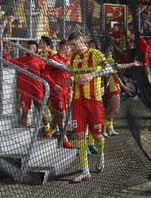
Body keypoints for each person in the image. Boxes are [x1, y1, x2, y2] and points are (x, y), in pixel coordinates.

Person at [68, 32, 114, 183]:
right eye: (70, 45)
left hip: (95, 102)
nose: (72, 47)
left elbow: (109, 69)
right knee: (79, 136)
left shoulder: (95, 54)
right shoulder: (73, 58)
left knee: (97, 136)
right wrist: (69, 79)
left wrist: (92, 75)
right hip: (77, 102)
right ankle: (85, 171)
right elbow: (72, 74)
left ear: (81, 41)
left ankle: (101, 154)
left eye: (74, 44)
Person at [3, 40, 46, 127]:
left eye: (32, 48)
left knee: (41, 109)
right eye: (28, 47)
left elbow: (45, 76)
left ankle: (47, 128)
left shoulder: (40, 61)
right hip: (25, 91)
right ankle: (24, 129)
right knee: (25, 111)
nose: (29, 49)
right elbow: (8, 62)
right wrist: (6, 53)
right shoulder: (21, 60)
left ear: (36, 49)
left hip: (37, 89)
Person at [41, 39, 74, 149]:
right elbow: (44, 74)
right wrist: (54, 85)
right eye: (67, 46)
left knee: (58, 115)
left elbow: (69, 76)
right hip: (56, 92)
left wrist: (70, 89)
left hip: (66, 91)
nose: (69, 48)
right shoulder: (53, 59)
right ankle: (64, 139)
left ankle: (50, 131)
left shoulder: (68, 60)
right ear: (61, 46)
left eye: (70, 46)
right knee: (62, 115)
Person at [102, 45, 139, 137]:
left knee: (110, 110)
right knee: (115, 111)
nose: (110, 52)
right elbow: (116, 77)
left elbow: (120, 66)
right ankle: (102, 128)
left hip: (108, 88)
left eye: (111, 50)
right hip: (113, 88)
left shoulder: (106, 61)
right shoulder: (109, 61)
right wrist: (125, 88)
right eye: (109, 50)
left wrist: (132, 63)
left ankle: (109, 129)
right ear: (105, 52)